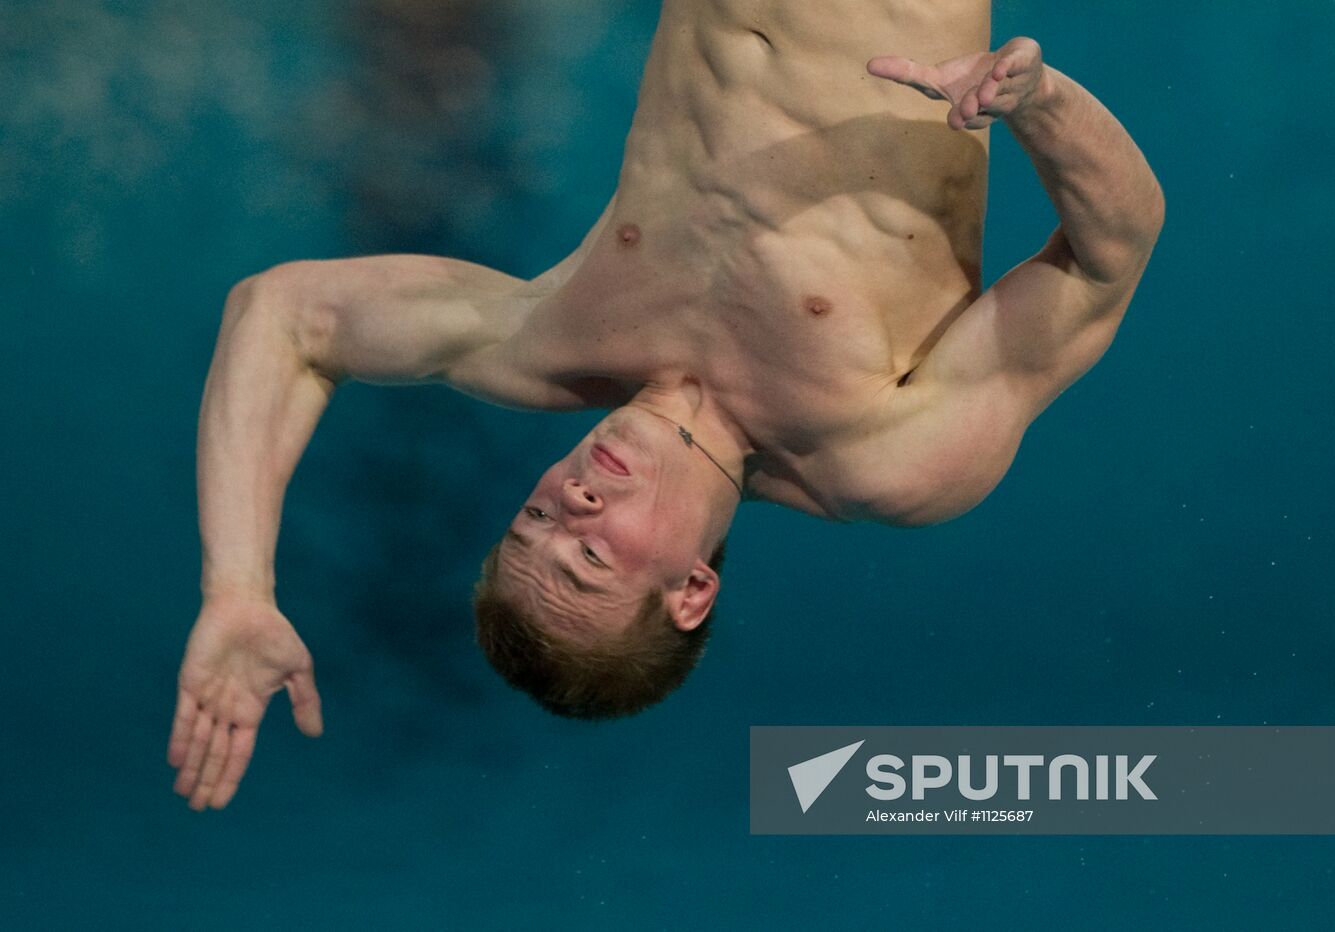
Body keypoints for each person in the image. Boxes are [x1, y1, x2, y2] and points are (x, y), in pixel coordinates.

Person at [169, 0, 1164, 810]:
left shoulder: (559, 345)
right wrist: (1038, 102)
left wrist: (238, 590)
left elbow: (282, 314)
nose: (571, 504)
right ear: (690, 590)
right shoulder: (880, 452)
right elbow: (1108, 256)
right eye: (591, 557)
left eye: (535, 520)